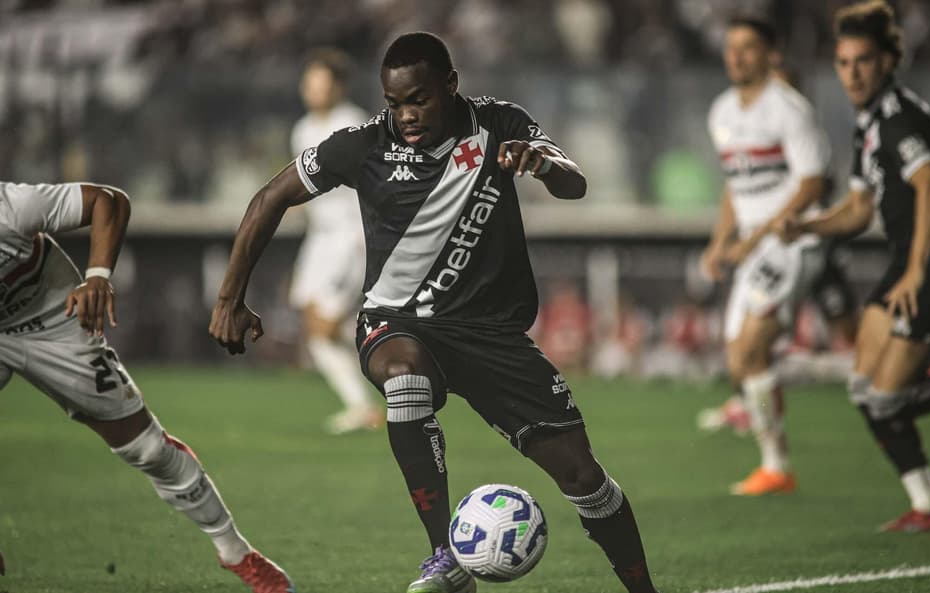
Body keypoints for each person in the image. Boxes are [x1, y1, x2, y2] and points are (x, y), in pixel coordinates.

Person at [211, 32, 658, 593]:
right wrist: (230, 299)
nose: (406, 115)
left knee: (584, 477)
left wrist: (540, 162)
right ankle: (444, 557)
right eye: (395, 103)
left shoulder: (499, 123)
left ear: (450, 84)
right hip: (397, 322)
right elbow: (268, 199)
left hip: (492, 335)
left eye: (418, 99)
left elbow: (574, 182)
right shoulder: (362, 144)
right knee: (405, 380)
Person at [0, 181, 295, 593]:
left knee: (147, 447)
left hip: (51, 317)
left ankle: (234, 551)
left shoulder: (11, 207)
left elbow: (109, 200)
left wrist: (98, 275)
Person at [775, 0, 930, 531]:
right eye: (844, 63)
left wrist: (918, 272)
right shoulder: (868, 125)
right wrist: (806, 225)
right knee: (866, 392)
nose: (853, 73)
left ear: (887, 61)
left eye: (864, 61)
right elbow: (857, 210)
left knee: (889, 396)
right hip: (909, 260)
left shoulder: (900, 116)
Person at [700, 16, 832, 495]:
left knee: (752, 347)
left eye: (748, 48)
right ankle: (833, 370)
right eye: (731, 48)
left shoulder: (789, 109)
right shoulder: (721, 112)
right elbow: (736, 186)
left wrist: (753, 241)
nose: (736, 57)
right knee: (739, 359)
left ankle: (777, 466)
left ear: (769, 53)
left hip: (792, 240)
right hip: (753, 243)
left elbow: (812, 183)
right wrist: (720, 243)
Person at [288, 48, 383, 435]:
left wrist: (372, 233)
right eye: (308, 84)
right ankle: (365, 403)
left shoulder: (355, 125)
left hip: (351, 236)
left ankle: (386, 377)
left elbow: (377, 182)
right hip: (319, 238)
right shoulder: (302, 129)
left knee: (325, 330)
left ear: (339, 87)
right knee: (316, 328)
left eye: (321, 84)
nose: (313, 91)